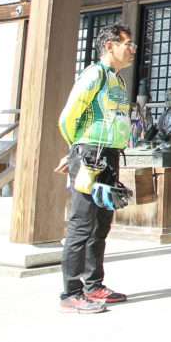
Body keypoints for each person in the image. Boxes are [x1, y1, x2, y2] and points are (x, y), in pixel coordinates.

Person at [55, 24, 136, 314]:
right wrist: (75, 149)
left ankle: (94, 284)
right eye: (127, 44)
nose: (132, 50)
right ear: (109, 46)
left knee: (102, 221)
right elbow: (68, 117)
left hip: (110, 155)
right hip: (89, 154)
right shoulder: (95, 74)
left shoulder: (119, 81)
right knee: (81, 221)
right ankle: (71, 291)